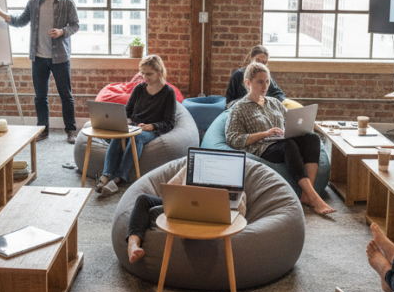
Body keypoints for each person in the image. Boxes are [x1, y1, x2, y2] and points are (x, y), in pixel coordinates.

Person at [224, 61, 335, 215]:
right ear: (248, 83)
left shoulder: (274, 103)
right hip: (262, 147)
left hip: (283, 140)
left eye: (267, 81)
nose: (265, 86)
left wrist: (296, 129)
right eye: (260, 82)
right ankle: (314, 198)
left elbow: (290, 122)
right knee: (288, 145)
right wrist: (265, 134)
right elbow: (232, 138)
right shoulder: (239, 108)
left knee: (312, 138)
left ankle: (305, 195)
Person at [0, 0, 80, 144]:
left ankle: (70, 130)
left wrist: (62, 31)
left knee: (66, 96)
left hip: (60, 57)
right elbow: (20, 21)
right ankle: (42, 130)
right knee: (40, 97)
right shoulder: (34, 1)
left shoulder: (67, 2)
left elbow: (75, 25)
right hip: (38, 58)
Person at [123, 164, 249, 264]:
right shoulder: (191, 164)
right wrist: (187, 192)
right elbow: (168, 190)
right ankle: (133, 245)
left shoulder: (231, 176)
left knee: (152, 211)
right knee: (143, 199)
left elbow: (241, 213)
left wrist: (229, 191)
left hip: (211, 213)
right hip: (185, 204)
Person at [97, 55, 177, 198]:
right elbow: (128, 110)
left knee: (137, 137)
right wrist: (123, 120)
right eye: (143, 74)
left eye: (149, 74)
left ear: (159, 72)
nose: (145, 77)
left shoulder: (168, 93)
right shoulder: (139, 88)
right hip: (134, 125)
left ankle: (119, 178)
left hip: (151, 129)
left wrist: (151, 126)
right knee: (120, 134)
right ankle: (106, 176)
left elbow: (170, 122)